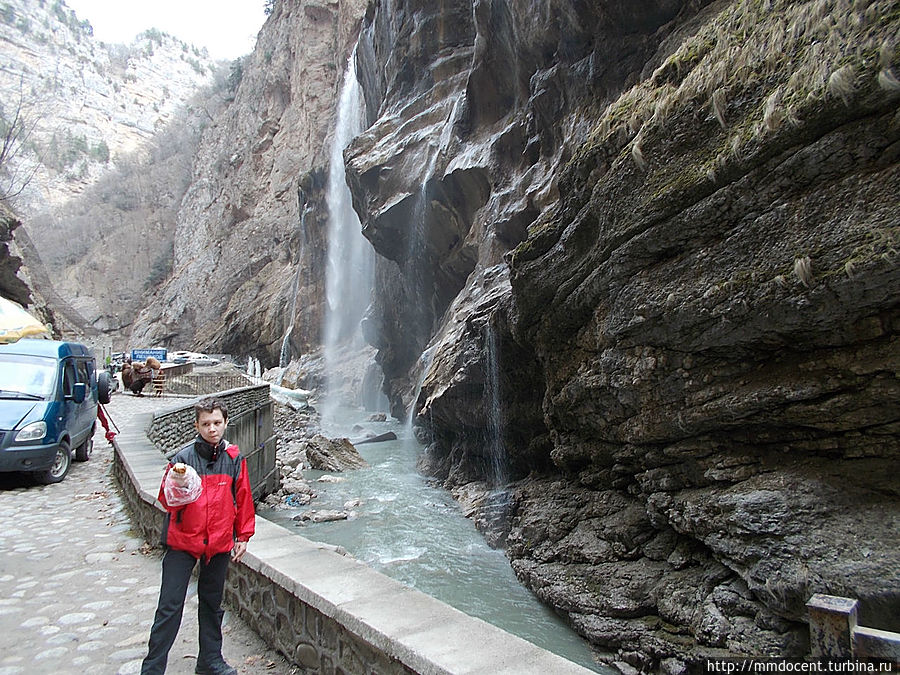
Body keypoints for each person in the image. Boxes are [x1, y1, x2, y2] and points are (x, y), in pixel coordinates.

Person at [140, 397, 256, 675]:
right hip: (183, 541)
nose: (212, 429)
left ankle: (210, 661)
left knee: (212, 604)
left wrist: (243, 536)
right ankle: (153, 669)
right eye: (206, 424)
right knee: (169, 607)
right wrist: (178, 487)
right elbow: (165, 501)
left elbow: (243, 497)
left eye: (217, 423)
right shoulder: (182, 460)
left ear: (226, 423)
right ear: (197, 426)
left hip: (217, 542)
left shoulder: (233, 459)